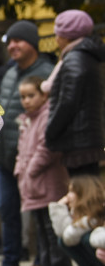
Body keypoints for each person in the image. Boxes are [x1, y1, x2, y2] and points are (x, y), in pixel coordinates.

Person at [0, 21, 54, 266]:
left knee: (39, 213)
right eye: (9, 41)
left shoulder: (46, 73)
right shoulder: (10, 72)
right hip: (5, 157)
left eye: (18, 40)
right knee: (7, 209)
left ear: (32, 43)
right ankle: (10, 263)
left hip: (34, 158)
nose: (12, 46)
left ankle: (40, 263)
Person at [13, 76, 71, 266]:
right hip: (32, 183)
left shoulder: (47, 116)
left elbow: (46, 147)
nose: (26, 100)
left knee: (52, 227)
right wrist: (20, 169)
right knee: (40, 229)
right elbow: (21, 148)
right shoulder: (27, 119)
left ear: (44, 95)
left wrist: (30, 170)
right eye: (22, 97)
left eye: (31, 95)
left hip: (48, 182)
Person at [42, 10, 105, 177]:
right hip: (87, 136)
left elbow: (68, 102)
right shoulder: (88, 56)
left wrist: (51, 131)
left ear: (66, 36)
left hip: (78, 139)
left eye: (57, 34)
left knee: (84, 189)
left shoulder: (75, 58)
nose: (56, 39)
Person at [49, 175, 105, 266]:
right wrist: (59, 208)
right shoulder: (77, 213)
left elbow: (68, 237)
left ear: (84, 193)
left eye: (71, 191)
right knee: (62, 241)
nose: (67, 196)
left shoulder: (93, 217)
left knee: (86, 239)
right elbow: (62, 235)